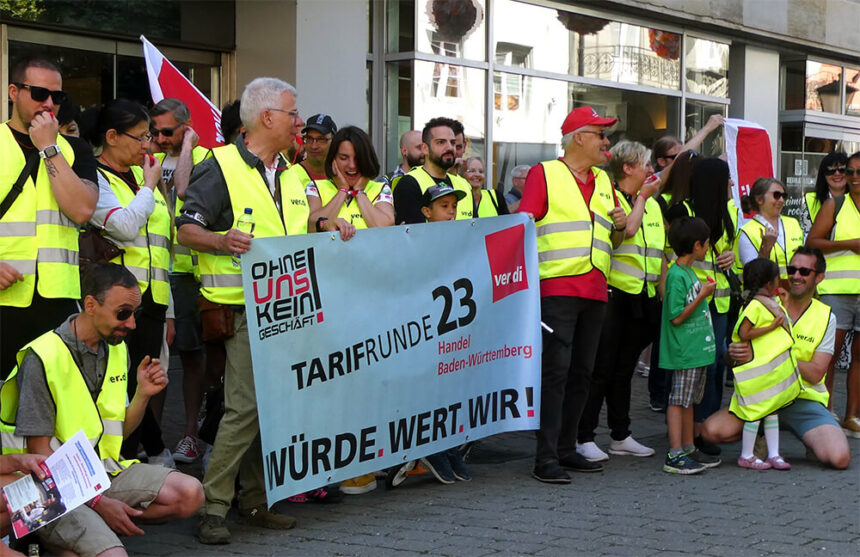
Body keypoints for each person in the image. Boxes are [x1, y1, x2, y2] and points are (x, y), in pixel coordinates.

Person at [178, 77, 351, 544]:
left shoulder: (292, 174)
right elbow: (185, 230)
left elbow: (303, 228)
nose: (300, 122)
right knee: (245, 408)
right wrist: (221, 240)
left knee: (269, 408)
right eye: (293, 113)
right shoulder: (220, 166)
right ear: (267, 117)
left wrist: (331, 226)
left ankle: (254, 500)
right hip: (242, 311)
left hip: (287, 312)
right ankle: (214, 507)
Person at [0, 262, 203, 557]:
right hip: (50, 489)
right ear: (91, 305)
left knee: (191, 494)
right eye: (123, 313)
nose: (132, 324)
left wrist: (143, 394)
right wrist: (99, 504)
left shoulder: (117, 348)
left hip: (103, 473)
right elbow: (40, 455)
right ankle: (51, 534)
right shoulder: (43, 357)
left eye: (135, 314)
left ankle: (91, 532)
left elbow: (118, 432)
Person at [518, 106, 627, 483]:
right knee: (556, 373)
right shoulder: (544, 173)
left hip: (595, 289)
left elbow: (614, 238)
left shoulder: (604, 180)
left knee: (583, 373)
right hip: (556, 288)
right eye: (601, 134)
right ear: (579, 137)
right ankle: (545, 457)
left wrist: (619, 226)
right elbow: (524, 226)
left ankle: (566, 449)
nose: (607, 142)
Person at [82, 99, 174, 468]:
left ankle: (130, 458)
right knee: (115, 383)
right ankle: (112, 461)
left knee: (142, 383)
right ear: (111, 137)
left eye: (149, 136)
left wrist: (169, 311)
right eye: (140, 137)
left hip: (153, 300)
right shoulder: (95, 177)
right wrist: (149, 187)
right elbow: (122, 226)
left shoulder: (142, 175)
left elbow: (162, 247)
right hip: (115, 303)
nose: (147, 145)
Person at [702, 247, 850, 470]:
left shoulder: (826, 316)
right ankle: (761, 432)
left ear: (819, 278)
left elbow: (815, 373)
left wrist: (767, 356)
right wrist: (732, 354)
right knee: (710, 432)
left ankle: (799, 435)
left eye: (804, 271)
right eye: (791, 269)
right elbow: (733, 360)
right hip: (761, 396)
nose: (796, 276)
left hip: (802, 399)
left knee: (839, 458)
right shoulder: (761, 304)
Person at [1, 57, 98, 378]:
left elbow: (82, 210)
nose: (49, 104)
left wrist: (48, 148)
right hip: (4, 301)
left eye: (57, 97)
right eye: (40, 93)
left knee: (48, 398)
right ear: (13, 92)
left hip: (58, 301)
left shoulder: (74, 149)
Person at [576, 140, 664, 462]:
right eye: (646, 164)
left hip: (643, 297)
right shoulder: (609, 196)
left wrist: (662, 296)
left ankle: (620, 434)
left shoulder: (653, 203)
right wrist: (642, 198)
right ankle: (583, 436)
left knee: (624, 370)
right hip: (614, 295)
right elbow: (628, 231)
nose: (651, 170)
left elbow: (660, 254)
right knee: (601, 369)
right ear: (627, 168)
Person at [150, 98, 213, 464]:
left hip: (189, 273)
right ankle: (152, 438)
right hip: (157, 270)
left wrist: (187, 145)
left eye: (167, 131)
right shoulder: (152, 159)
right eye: (155, 131)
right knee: (154, 359)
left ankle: (190, 434)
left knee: (191, 356)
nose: (160, 138)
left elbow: (187, 192)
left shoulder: (205, 158)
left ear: (186, 126)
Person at [661, 158, 737, 455]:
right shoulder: (682, 210)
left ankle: (705, 428)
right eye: (727, 178)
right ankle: (686, 433)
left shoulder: (728, 212)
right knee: (691, 365)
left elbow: (730, 250)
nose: (731, 184)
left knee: (714, 362)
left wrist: (730, 257)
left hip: (719, 298)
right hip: (691, 298)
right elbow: (670, 254)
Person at [659, 217, 720, 474]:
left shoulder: (687, 272)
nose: (707, 248)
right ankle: (675, 453)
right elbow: (676, 316)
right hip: (684, 351)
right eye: (706, 244)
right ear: (696, 245)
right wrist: (702, 295)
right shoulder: (676, 275)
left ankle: (687, 447)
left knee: (689, 400)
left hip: (695, 351)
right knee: (679, 401)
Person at [807, 151, 860, 437]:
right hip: (836, 291)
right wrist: (849, 244)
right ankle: (826, 412)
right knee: (829, 355)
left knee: (859, 358)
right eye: (850, 172)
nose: (853, 177)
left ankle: (852, 416)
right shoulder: (835, 205)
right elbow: (812, 242)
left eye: (858, 172)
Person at [731, 258, 801, 470]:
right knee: (754, 415)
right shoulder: (755, 306)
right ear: (770, 283)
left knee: (771, 413)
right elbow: (744, 333)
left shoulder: (768, 302)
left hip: (767, 375)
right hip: (758, 374)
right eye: (777, 278)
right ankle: (746, 455)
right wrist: (771, 327)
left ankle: (774, 454)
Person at [307, 125, 394, 235]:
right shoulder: (314, 187)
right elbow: (311, 226)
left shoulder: (381, 189)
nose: (352, 165)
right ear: (333, 159)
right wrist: (342, 190)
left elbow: (385, 229)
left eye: (358, 159)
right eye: (344, 158)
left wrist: (360, 191)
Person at [393, 117, 473, 224]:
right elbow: (414, 233)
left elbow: (476, 229)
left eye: (453, 142)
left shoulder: (464, 185)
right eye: (441, 142)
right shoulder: (409, 184)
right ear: (425, 148)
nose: (449, 147)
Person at [737, 177, 804, 280]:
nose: (781, 200)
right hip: (766, 290)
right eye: (776, 195)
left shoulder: (793, 223)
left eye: (784, 196)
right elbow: (752, 276)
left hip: (794, 288)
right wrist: (765, 249)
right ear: (759, 199)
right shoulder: (747, 232)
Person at [651, 114, 723, 179]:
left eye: (689, 156)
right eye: (676, 156)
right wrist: (707, 128)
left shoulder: (688, 177)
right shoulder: (655, 180)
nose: (686, 160)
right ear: (662, 162)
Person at [286, 113, 336, 187]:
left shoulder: (343, 175)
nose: (314, 146)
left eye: (321, 139)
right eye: (309, 138)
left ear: (334, 141)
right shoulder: (291, 175)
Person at [806, 152, 848, 225]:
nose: (837, 173)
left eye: (842, 169)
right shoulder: (811, 200)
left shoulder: (857, 199)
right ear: (823, 175)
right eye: (831, 170)